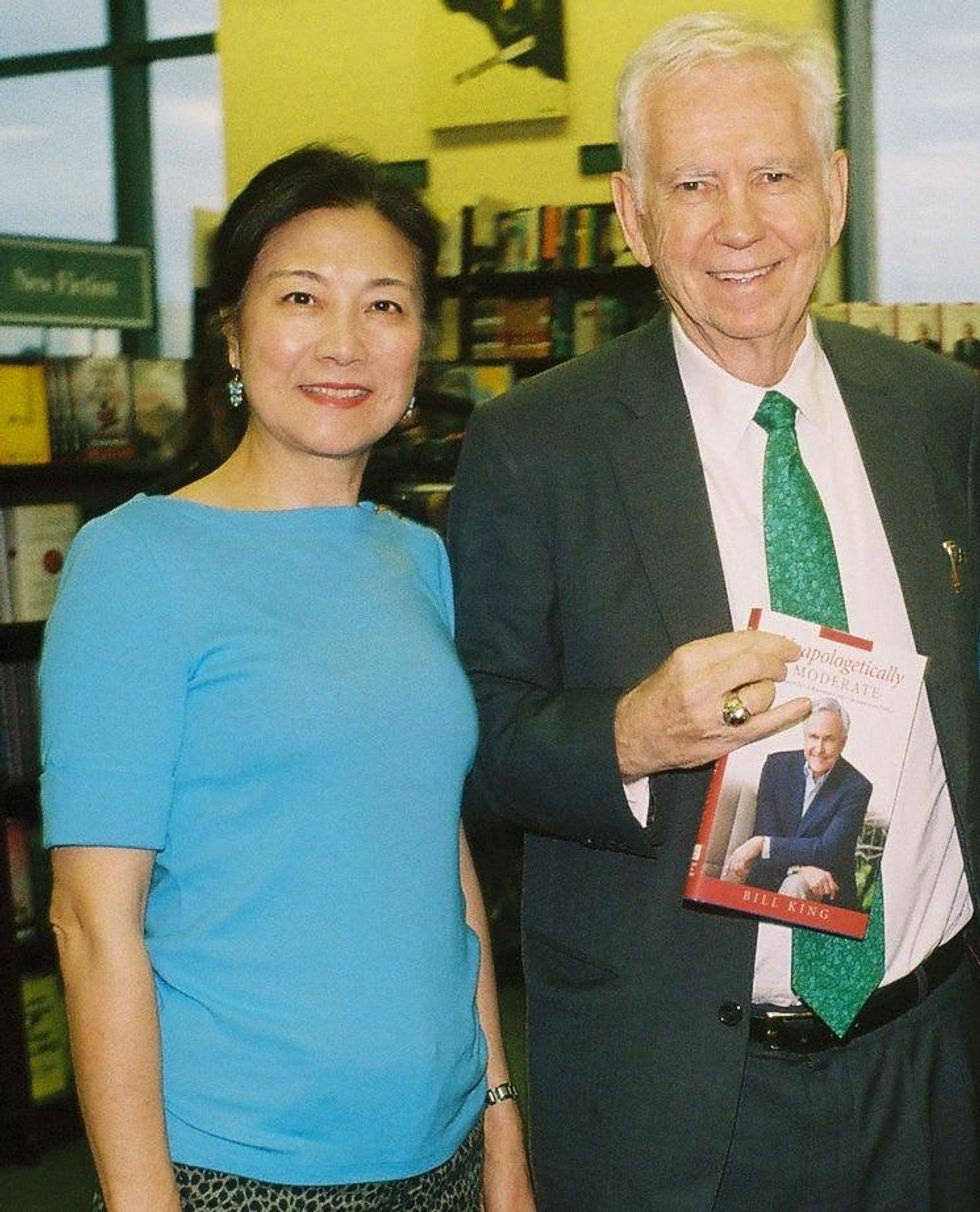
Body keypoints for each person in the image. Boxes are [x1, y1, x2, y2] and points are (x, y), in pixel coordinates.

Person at [448, 12, 980, 1211]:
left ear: (834, 192)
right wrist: (624, 735)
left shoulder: (943, 414)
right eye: (691, 183)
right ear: (632, 215)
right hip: (680, 1099)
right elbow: (468, 744)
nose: (737, 224)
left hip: (935, 1061)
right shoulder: (536, 446)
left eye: (773, 174)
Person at [41, 145, 534, 1212]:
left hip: (441, 1148)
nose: (343, 343)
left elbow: (437, 863)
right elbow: (89, 922)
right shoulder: (136, 563)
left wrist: (501, 1129)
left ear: (418, 349)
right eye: (301, 296)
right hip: (238, 1167)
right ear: (231, 329)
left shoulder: (417, 557)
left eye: (386, 306)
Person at [723, 698, 872, 910]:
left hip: (826, 886)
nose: (819, 748)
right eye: (813, 737)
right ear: (805, 736)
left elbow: (828, 850)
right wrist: (799, 868)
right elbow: (766, 831)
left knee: (796, 885)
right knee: (733, 871)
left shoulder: (857, 787)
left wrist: (762, 845)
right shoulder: (776, 766)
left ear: (843, 742)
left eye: (828, 739)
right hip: (773, 874)